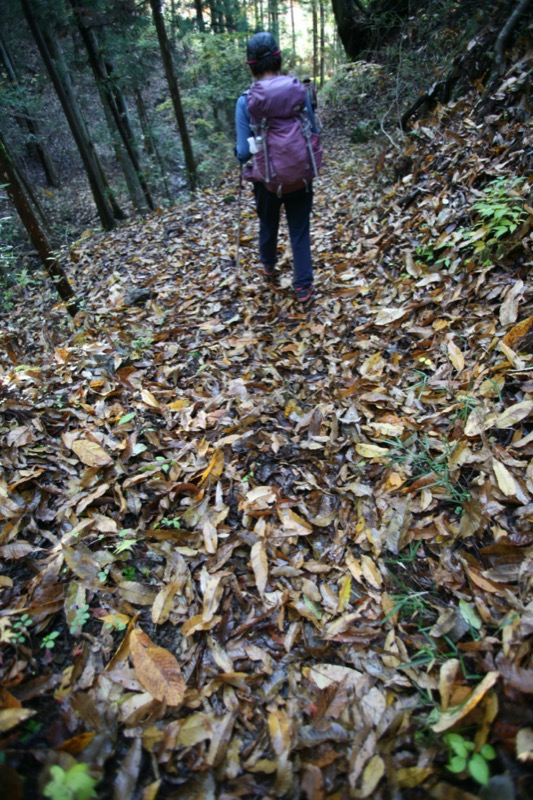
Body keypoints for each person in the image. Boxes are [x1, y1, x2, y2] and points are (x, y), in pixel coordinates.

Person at [235, 32, 319, 304]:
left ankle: (268, 264)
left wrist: (239, 154)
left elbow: (244, 152)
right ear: (278, 58)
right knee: (300, 230)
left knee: (268, 223)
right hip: (300, 173)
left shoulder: (245, 101)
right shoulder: (298, 91)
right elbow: (314, 131)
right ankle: (303, 286)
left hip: (266, 179)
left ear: (250, 65)